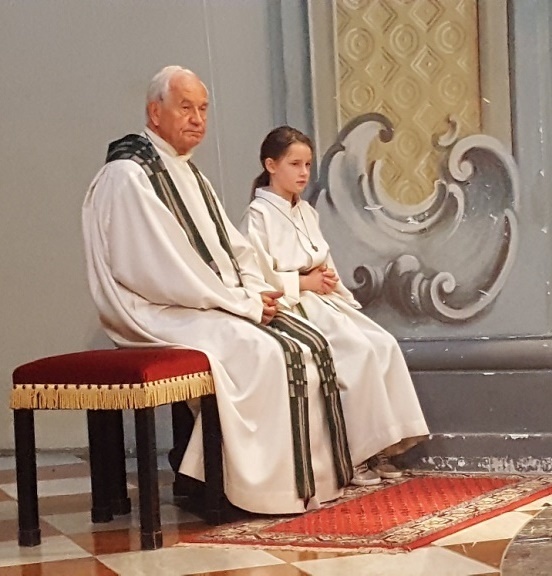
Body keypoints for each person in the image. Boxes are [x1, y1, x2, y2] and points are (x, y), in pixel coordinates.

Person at [82, 66, 383, 516]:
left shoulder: (187, 171)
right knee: (263, 352)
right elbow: (161, 268)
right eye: (186, 108)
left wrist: (257, 291)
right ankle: (238, 488)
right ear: (155, 112)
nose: (197, 119)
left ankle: (292, 481)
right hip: (153, 309)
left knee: (305, 344)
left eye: (203, 109)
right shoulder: (129, 175)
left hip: (197, 301)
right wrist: (240, 302)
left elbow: (231, 246)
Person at [240, 126, 429, 484]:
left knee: (383, 344)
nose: (303, 173)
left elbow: (322, 260)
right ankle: (354, 455)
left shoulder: (306, 212)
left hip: (323, 300)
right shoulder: (258, 216)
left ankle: (383, 445)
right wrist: (302, 283)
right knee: (357, 353)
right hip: (294, 307)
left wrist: (331, 284)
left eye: (308, 165)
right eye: (294, 164)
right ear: (271, 165)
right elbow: (254, 275)